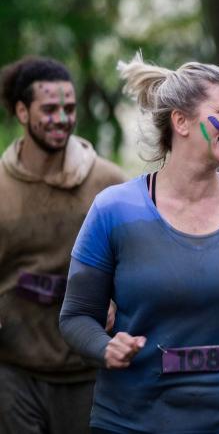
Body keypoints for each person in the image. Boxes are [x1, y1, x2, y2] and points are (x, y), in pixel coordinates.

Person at [59, 53, 219, 434]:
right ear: (181, 121)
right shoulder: (115, 210)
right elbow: (75, 317)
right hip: (136, 420)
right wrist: (105, 348)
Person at [0, 56, 125, 434]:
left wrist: (119, 299)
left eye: (69, 108)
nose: (62, 118)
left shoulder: (108, 183)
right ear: (22, 111)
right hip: (13, 369)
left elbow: (137, 261)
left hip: (87, 370)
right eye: (49, 109)